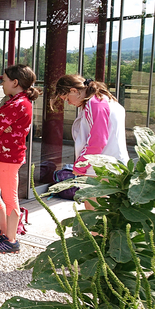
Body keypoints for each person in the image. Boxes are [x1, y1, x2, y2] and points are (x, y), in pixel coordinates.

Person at [0, 64, 39, 254]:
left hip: (9, 156)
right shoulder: (16, 101)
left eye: (4, 80)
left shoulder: (18, 103)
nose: (2, 84)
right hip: (1, 154)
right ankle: (5, 232)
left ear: (15, 82)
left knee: (9, 197)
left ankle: (11, 239)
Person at [53, 74, 129, 209]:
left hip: (99, 167)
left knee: (93, 211)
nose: (69, 103)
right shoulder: (105, 99)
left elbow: (98, 141)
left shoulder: (94, 104)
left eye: (67, 99)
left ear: (74, 91)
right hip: (113, 164)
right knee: (108, 211)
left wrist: (80, 166)